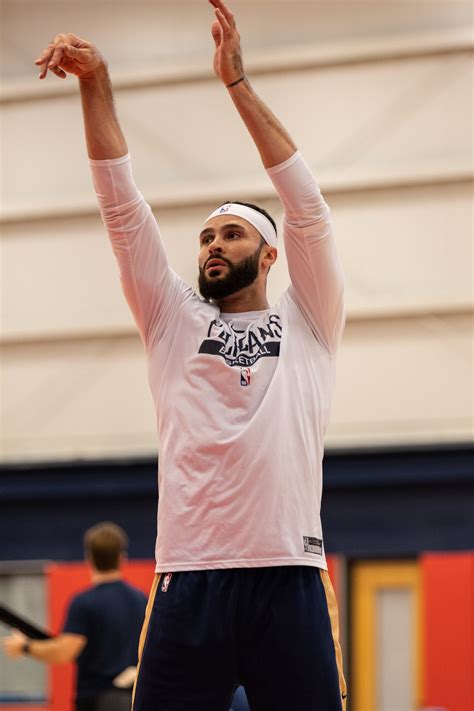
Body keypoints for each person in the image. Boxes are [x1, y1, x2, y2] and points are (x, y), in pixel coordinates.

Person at [33, 0, 347, 708]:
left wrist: (236, 84)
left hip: (288, 573)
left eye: (231, 235)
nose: (213, 246)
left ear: (269, 254)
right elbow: (120, 205)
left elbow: (308, 208)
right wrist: (96, 81)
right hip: (191, 578)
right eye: (206, 237)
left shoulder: (312, 317)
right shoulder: (171, 318)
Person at [3, 522, 147, 711]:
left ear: (89, 558)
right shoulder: (142, 600)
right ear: (122, 558)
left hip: (99, 701)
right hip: (136, 699)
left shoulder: (84, 602)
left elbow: (65, 651)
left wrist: (25, 647)